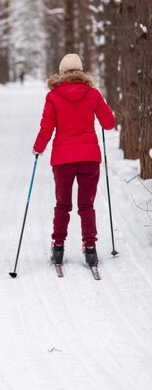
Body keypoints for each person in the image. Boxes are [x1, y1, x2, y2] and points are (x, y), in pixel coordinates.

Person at [32, 53, 115, 267]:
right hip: (89, 158)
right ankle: (90, 249)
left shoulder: (53, 96)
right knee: (86, 205)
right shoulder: (93, 94)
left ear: (61, 73)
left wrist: (38, 147)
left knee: (63, 204)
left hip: (63, 160)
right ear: (81, 71)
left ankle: (58, 247)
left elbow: (46, 127)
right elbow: (109, 123)